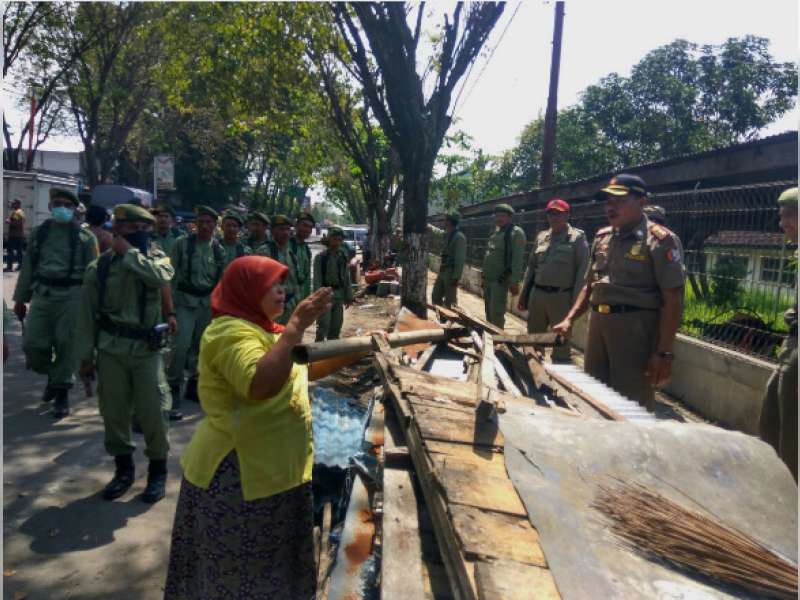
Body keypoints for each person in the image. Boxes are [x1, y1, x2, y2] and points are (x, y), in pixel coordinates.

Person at [163, 257, 333, 599]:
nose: (281, 291)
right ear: (246, 290)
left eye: (282, 284)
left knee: (272, 573)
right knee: (237, 577)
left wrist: (365, 347)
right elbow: (259, 383)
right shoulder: (228, 332)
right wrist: (296, 327)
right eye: (271, 285)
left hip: (277, 474)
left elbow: (302, 368)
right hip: (238, 480)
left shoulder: (269, 332)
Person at [553, 174, 685, 412]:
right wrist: (569, 319)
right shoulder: (603, 238)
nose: (610, 207)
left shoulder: (660, 241)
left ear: (642, 202)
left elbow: (673, 299)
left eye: (619, 201)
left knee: (630, 405)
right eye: (608, 201)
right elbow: (590, 286)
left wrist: (664, 353)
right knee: (593, 398)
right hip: (598, 327)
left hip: (634, 332)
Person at [76, 204, 176, 503]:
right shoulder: (100, 267)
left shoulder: (156, 258)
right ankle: (123, 470)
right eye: (133, 228)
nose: (141, 233)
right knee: (114, 413)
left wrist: (130, 253)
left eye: (145, 229)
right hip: (111, 349)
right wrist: (86, 358)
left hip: (147, 350)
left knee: (154, 410)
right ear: (117, 228)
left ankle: (157, 470)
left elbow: (160, 278)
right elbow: (87, 316)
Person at [13, 188, 99, 418]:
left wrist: (94, 308)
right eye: (57, 204)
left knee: (66, 344)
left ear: (75, 209)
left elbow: (94, 276)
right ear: (51, 207)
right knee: (33, 345)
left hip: (72, 296)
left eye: (67, 205)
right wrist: (20, 299)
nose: (62, 208)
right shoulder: (39, 233)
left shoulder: (86, 238)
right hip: (43, 294)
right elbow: (28, 267)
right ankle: (54, 375)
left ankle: (61, 391)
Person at [167, 205, 225, 418]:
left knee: (201, 347)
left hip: (206, 305)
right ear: (195, 223)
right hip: (184, 302)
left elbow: (219, 283)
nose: (204, 226)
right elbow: (170, 276)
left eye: (209, 222)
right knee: (180, 346)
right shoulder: (182, 244)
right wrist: (169, 308)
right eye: (201, 222)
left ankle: (194, 383)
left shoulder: (218, 250)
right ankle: (173, 386)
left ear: (215, 225)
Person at [518, 199, 589, 362]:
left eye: (558, 214)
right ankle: (534, 368)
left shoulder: (577, 238)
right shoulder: (542, 237)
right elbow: (531, 268)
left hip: (562, 297)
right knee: (534, 337)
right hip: (538, 295)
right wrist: (524, 295)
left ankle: (560, 366)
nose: (554, 217)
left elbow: (582, 272)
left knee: (561, 341)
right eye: (551, 214)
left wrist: (575, 304)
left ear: (567, 215)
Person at [759, 186, 798, 480]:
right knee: (773, 418)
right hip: (792, 345)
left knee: (792, 432)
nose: (783, 223)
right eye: (781, 216)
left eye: (790, 215)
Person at [482, 203, 526, 329]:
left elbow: (517, 259)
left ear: (509, 217)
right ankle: (489, 335)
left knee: (496, 313)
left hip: (500, 280)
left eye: (502, 216)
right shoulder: (496, 233)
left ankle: (497, 337)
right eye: (497, 216)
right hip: (488, 279)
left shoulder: (515, 233)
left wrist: (514, 282)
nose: (499, 219)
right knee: (488, 311)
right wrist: (484, 277)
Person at [256, 214, 301, 325]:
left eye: (287, 229)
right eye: (281, 229)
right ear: (272, 231)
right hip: (272, 305)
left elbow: (295, 281)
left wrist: (295, 300)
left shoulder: (291, 254)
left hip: (290, 305)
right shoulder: (264, 252)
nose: (285, 232)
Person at [313, 226, 353, 341]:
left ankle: (332, 350)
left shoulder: (343, 257)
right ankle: (318, 349)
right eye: (334, 238)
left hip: (339, 295)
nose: (337, 242)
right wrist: (318, 298)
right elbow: (317, 279)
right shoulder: (321, 257)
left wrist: (349, 296)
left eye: (339, 239)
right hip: (325, 295)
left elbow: (346, 277)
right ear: (329, 239)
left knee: (336, 325)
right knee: (323, 325)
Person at [431, 212, 467, 308]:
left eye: (445, 219)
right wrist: (429, 227)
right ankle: (440, 315)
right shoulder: (448, 234)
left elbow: (460, 259)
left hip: (451, 272)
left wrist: (456, 277)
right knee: (435, 296)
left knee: (450, 301)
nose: (444, 221)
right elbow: (439, 233)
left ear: (450, 222)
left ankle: (449, 316)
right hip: (443, 269)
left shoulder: (459, 237)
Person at [292, 211, 314, 302]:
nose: (307, 229)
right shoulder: (286, 245)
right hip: (287, 299)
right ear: (296, 226)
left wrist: (307, 299)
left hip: (301, 297)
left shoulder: (306, 250)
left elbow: (307, 278)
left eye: (310, 227)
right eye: (304, 225)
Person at [6, 199, 26, 271]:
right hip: (20, 235)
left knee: (10, 251)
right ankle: (21, 266)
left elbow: (17, 223)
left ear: (18, 204)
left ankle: (9, 267)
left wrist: (8, 221)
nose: (12, 204)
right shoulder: (21, 212)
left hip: (14, 236)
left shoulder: (16, 213)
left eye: (13, 203)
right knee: (19, 252)